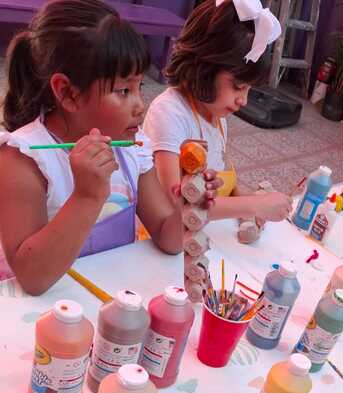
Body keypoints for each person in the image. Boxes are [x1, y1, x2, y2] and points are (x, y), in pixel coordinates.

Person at [0, 0, 218, 295]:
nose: (140, 105)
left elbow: (167, 237)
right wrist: (86, 196)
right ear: (67, 93)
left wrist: (189, 206)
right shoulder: (24, 158)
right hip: (44, 312)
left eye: (140, 87)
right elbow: (31, 278)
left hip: (112, 301)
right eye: (123, 90)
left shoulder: (132, 148)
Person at [143, 0, 292, 224]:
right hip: (164, 234)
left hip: (198, 228)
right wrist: (254, 204)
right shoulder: (169, 114)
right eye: (238, 86)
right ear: (203, 67)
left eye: (249, 89)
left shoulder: (216, 116)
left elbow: (218, 179)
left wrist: (247, 205)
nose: (243, 101)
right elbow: (172, 204)